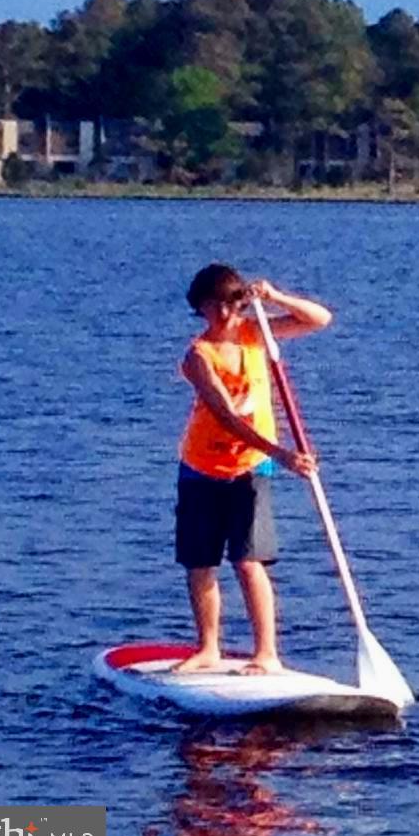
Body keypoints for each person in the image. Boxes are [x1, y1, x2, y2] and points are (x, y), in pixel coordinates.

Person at [172, 264, 331, 674]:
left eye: (231, 303)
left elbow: (319, 319)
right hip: (202, 466)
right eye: (214, 305)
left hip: (250, 468)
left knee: (248, 559)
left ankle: (267, 654)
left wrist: (274, 296)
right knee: (201, 560)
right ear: (200, 307)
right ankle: (208, 648)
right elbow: (225, 414)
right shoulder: (197, 356)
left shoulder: (255, 332)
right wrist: (281, 453)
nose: (224, 313)